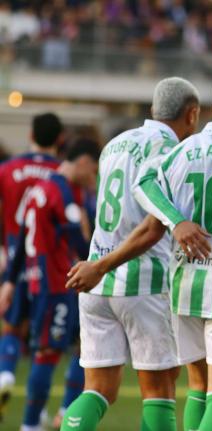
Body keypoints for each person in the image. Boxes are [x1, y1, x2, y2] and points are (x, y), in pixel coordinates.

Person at [67, 67, 212, 431]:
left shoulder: (126, 145)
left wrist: (171, 222)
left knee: (127, 388)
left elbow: (141, 188)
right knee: (199, 394)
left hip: (151, 282)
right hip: (180, 282)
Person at [60, 77, 201, 431]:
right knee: (159, 390)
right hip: (142, 281)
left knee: (99, 390)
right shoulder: (173, 153)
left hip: (95, 280)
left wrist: (99, 266)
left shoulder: (114, 144)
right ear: (192, 114)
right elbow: (152, 228)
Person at [3, 139, 99, 431]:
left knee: (86, 347)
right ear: (82, 162)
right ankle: (31, 424)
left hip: (45, 282)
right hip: (56, 285)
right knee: (48, 353)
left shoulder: (41, 189)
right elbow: (80, 244)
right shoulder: (63, 193)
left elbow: (20, 240)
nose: (94, 177)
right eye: (94, 170)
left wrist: (9, 280)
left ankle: (64, 413)